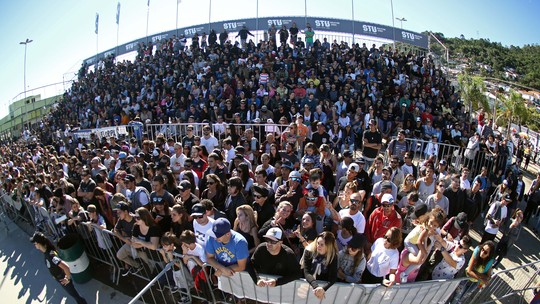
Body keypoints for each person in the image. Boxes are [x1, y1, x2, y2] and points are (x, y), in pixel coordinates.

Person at [30, 232, 88, 304]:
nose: (34, 245)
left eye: (35, 243)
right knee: (73, 294)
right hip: (59, 278)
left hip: (62, 278)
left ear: (38, 243)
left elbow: (66, 267)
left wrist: (68, 279)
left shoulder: (51, 256)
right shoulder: (47, 253)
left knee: (75, 295)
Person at [301, 231, 339, 300]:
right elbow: (307, 272)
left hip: (323, 287)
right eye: (318, 243)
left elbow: (333, 277)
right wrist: (316, 287)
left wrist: (323, 289)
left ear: (328, 246)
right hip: (308, 284)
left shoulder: (333, 256)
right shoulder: (309, 251)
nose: (318, 246)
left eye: (322, 244)